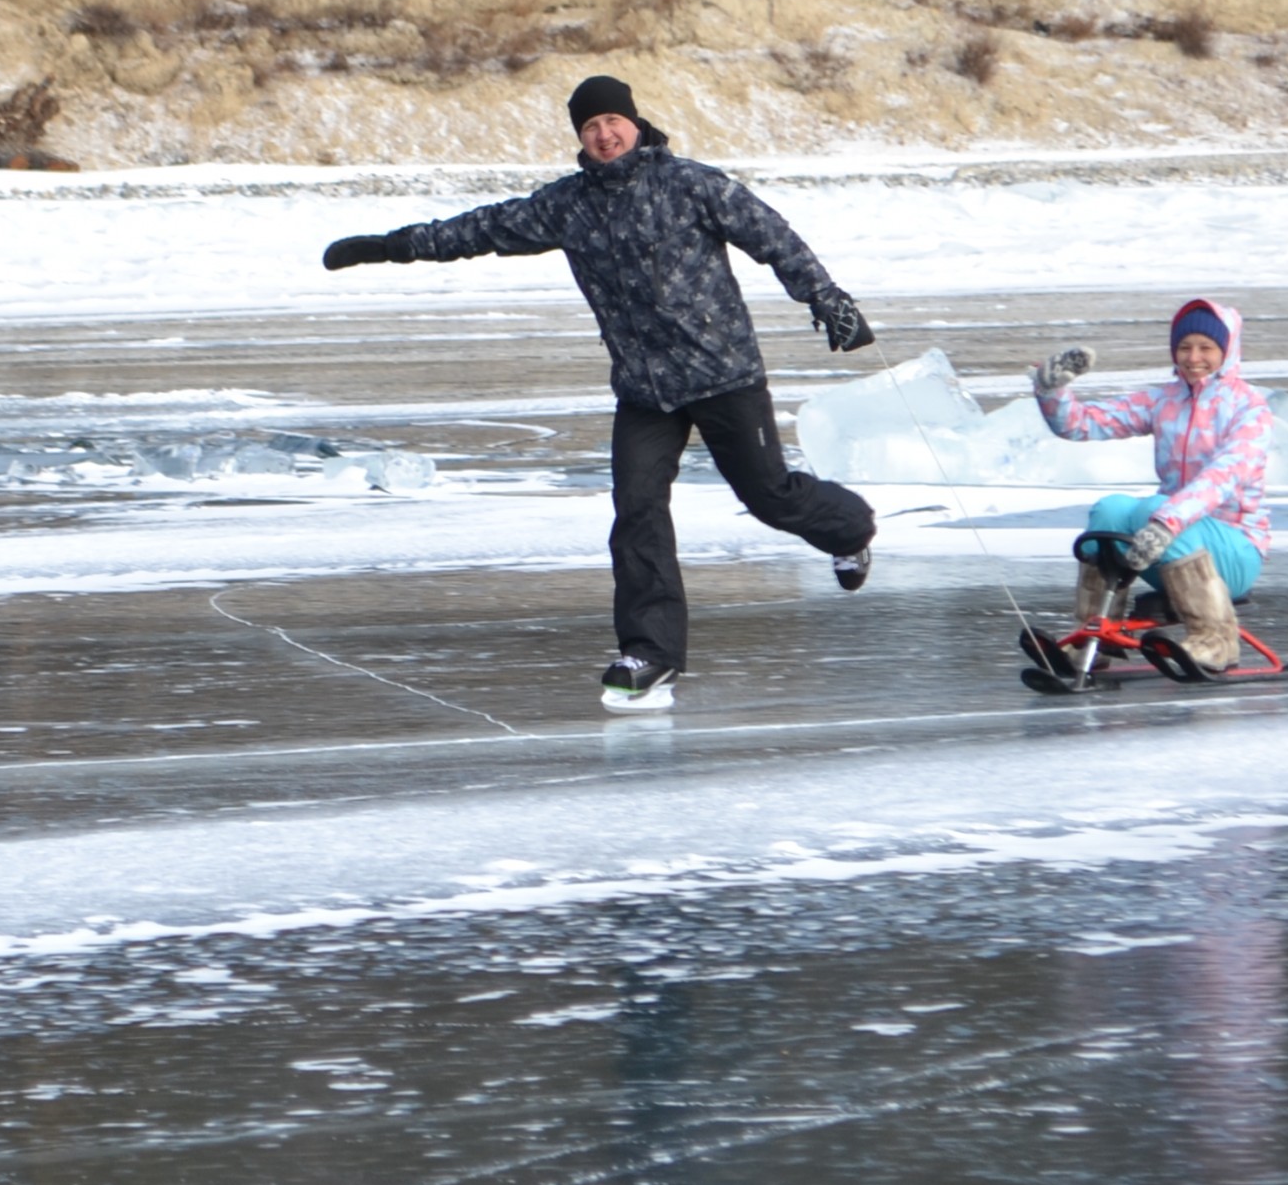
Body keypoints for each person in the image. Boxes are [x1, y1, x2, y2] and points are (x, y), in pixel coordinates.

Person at [323, 74, 880, 712]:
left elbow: (773, 237)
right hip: (644, 390)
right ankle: (650, 653)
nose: (604, 134)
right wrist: (390, 247)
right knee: (637, 512)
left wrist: (827, 300)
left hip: (723, 373)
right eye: (590, 127)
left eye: (613, 121)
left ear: (635, 124)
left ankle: (849, 530)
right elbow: (480, 229)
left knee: (769, 495)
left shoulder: (691, 184)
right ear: (580, 138)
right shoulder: (568, 205)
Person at [1027, 297, 1272, 676]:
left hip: (1234, 551)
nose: (1194, 358)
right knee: (1109, 510)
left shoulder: (1250, 408)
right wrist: (1052, 390)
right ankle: (1094, 638)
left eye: (1206, 348)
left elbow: (1223, 477)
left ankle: (1216, 639)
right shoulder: (1163, 400)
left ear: (1227, 352)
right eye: (1184, 347)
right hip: (1166, 544)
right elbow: (1081, 424)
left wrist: (1167, 521)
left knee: (1150, 509)